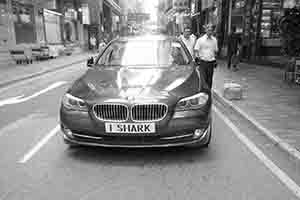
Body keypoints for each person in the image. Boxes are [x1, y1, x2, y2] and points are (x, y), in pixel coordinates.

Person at [194, 24, 218, 89]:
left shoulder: (214, 40)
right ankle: (203, 93)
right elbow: (196, 50)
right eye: (208, 30)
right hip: (203, 62)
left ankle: (208, 93)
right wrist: (197, 59)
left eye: (211, 30)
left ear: (213, 31)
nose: (210, 32)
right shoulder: (200, 40)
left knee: (209, 80)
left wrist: (215, 59)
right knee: (203, 80)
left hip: (211, 63)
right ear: (206, 30)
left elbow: (215, 51)